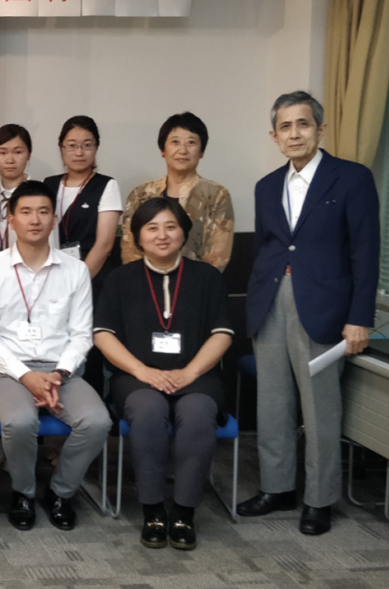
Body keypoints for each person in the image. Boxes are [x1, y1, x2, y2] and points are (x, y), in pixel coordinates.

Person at [237, 91, 380, 536]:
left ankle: (319, 498)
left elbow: (365, 253)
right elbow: (267, 247)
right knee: (272, 403)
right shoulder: (266, 186)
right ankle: (277, 487)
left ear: (320, 128)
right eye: (285, 126)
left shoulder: (352, 178)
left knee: (320, 409)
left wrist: (360, 317)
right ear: (274, 136)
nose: (294, 133)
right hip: (270, 302)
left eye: (303, 124)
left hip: (324, 307)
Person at [94, 198, 234, 550]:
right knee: (147, 410)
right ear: (137, 236)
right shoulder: (120, 278)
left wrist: (189, 372)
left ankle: (184, 512)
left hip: (197, 375)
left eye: (171, 227)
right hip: (136, 376)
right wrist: (142, 370)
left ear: (184, 232)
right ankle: (153, 510)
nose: (162, 235)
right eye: (152, 228)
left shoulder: (206, 277)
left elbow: (222, 334)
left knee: (198, 413)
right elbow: (103, 335)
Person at [0, 181, 111, 532]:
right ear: (11, 219)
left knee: (97, 422)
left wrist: (59, 373)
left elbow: (82, 334)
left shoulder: (75, 270)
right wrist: (26, 376)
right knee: (19, 422)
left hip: (62, 371)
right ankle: (23, 492)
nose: (35, 220)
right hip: (8, 372)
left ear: (54, 220)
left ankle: (61, 492)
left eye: (43, 212)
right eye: (26, 212)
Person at [120, 113, 234, 271]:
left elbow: (218, 256)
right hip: (145, 282)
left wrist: (197, 281)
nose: (183, 150)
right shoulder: (140, 195)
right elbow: (130, 250)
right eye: (175, 142)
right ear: (163, 150)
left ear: (201, 152)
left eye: (191, 142)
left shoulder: (217, 195)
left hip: (198, 282)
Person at [43, 116, 121, 281]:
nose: (79, 152)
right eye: (72, 146)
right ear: (61, 148)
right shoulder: (48, 184)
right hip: (52, 274)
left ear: (96, 148)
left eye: (87, 145)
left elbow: (104, 244)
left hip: (92, 276)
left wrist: (80, 281)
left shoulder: (107, 185)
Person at [0, 124, 33, 252]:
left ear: (29, 155)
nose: (10, 160)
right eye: (2, 153)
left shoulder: (39, 195)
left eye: (18, 152)